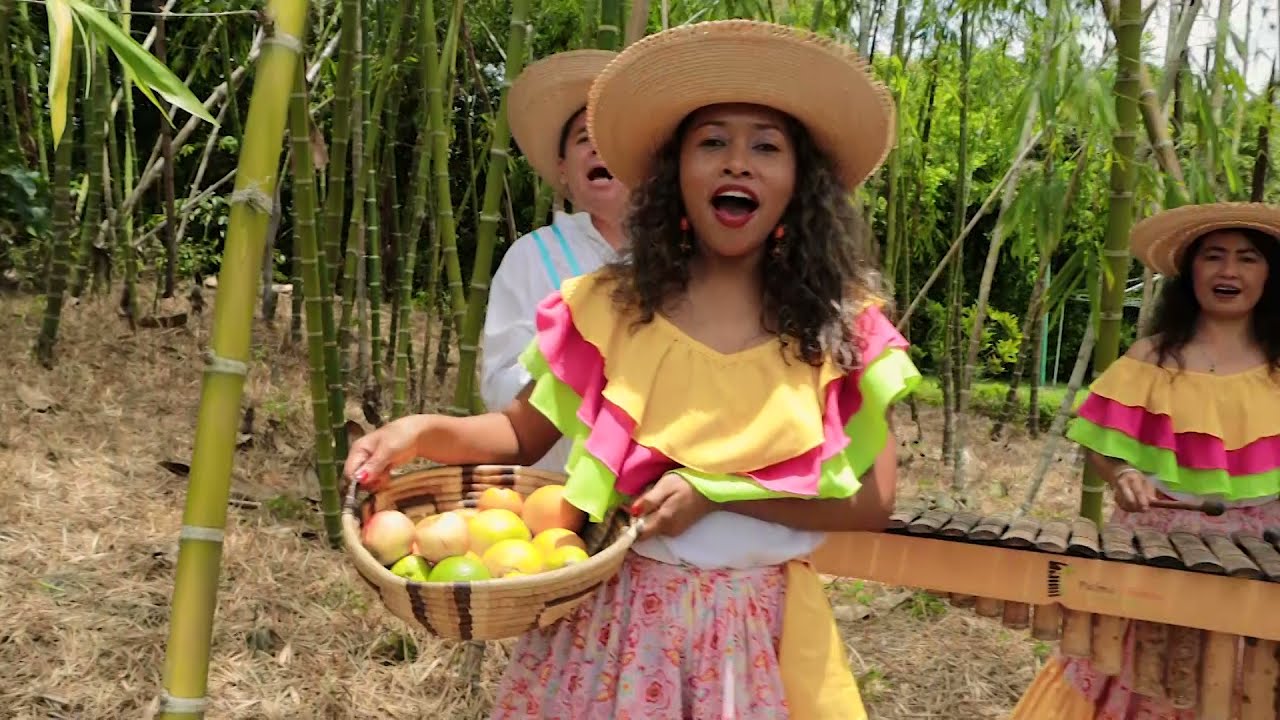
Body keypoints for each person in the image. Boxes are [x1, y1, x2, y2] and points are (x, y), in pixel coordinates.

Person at [346, 20, 921, 719]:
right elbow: (519, 434)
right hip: (607, 634)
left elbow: (871, 501)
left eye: (765, 146)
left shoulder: (840, 333)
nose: (737, 162)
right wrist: (419, 432)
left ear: (800, 183)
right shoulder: (614, 311)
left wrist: (718, 495)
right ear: (672, 172)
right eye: (712, 141)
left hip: (745, 639)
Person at [1011, 202, 1280, 719]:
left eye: (1247, 258)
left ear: (1268, 275)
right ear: (1190, 271)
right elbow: (1100, 442)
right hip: (1154, 549)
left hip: (1258, 561)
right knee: (1134, 678)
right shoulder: (1149, 360)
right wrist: (1124, 475)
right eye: (1213, 256)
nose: (1228, 271)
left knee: (1245, 687)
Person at [482, 49, 630, 474]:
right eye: (585, 139)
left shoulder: (687, 259)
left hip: (657, 508)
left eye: (612, 137)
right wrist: (575, 363)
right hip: (550, 495)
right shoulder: (531, 257)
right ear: (563, 170)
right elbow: (498, 387)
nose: (599, 148)